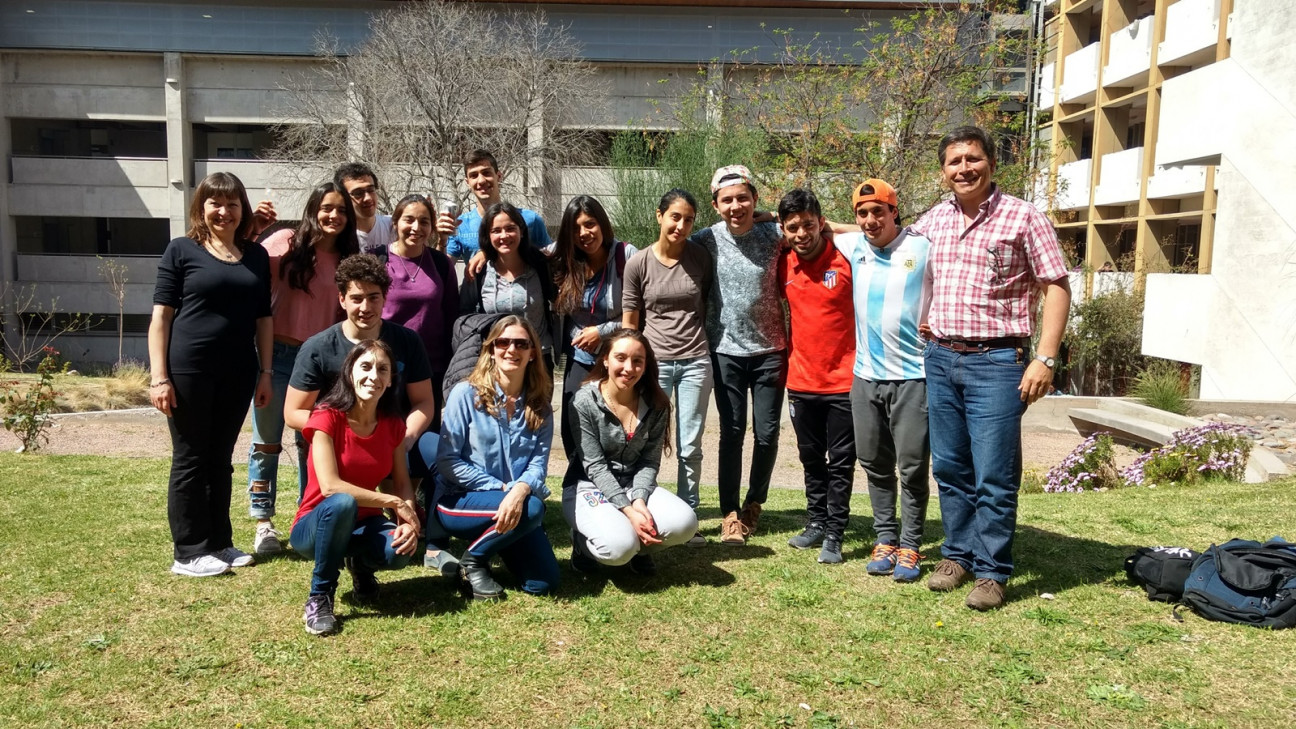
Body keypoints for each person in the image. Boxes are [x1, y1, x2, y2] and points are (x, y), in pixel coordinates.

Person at [910, 126, 1071, 610]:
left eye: (972, 159)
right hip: (940, 357)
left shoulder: (1023, 217)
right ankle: (956, 556)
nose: (964, 168)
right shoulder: (934, 220)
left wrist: (1045, 357)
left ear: (991, 163)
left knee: (994, 474)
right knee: (952, 468)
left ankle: (992, 570)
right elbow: (885, 238)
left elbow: (1057, 286)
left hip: (997, 361)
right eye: (954, 161)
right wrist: (816, 223)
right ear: (943, 170)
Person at [283, 254, 456, 575]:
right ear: (341, 299)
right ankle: (330, 569)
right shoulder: (318, 347)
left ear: (385, 297)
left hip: (396, 435)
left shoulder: (406, 341)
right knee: (340, 504)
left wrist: (401, 439)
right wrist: (342, 432)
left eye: (373, 297)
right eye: (356, 298)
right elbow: (294, 411)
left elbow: (424, 404)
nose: (365, 307)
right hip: (334, 444)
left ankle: (433, 539)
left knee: (442, 453)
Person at [149, 171, 273, 577]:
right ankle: (188, 551)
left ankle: (219, 543)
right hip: (189, 370)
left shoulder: (254, 255)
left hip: (238, 372)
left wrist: (267, 371)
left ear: (243, 209)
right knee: (190, 457)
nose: (224, 211)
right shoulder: (181, 250)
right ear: (201, 208)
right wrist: (159, 377)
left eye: (232, 203)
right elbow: (161, 318)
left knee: (220, 459)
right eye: (215, 203)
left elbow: (264, 319)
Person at [248, 181, 359, 555]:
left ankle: (306, 516)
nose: (334, 216)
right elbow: (244, 261)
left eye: (342, 211)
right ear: (314, 208)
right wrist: (252, 226)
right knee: (267, 442)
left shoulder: (346, 258)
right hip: (275, 355)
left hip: (320, 363)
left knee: (313, 440)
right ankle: (263, 522)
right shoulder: (284, 242)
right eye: (327, 208)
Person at [833, 179, 933, 581]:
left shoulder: (923, 247)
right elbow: (822, 226)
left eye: (879, 211)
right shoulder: (854, 246)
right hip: (866, 378)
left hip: (914, 378)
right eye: (863, 213)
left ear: (895, 212)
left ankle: (911, 546)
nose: (871, 220)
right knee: (874, 463)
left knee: (911, 468)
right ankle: (885, 538)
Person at [289, 340, 419, 635]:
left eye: (382, 369)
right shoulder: (326, 418)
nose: (374, 375)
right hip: (316, 524)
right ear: (349, 372)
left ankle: (360, 565)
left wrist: (407, 520)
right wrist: (393, 502)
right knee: (343, 503)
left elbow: (401, 483)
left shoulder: (392, 424)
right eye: (366, 366)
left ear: (390, 380)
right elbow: (331, 488)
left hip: (364, 524)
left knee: (398, 552)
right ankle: (320, 596)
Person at [690, 165, 787, 546]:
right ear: (715, 204)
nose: (736, 206)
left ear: (754, 199)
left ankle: (754, 505)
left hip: (771, 351)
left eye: (743, 198)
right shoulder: (705, 239)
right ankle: (729, 512)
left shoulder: (774, 233)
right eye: (727, 200)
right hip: (725, 351)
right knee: (731, 434)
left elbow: (814, 224)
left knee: (766, 434)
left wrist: (774, 216)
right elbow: (667, 243)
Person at [433, 316, 559, 601]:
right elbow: (448, 460)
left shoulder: (540, 406)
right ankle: (473, 560)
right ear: (491, 349)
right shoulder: (465, 394)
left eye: (521, 344)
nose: (511, 349)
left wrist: (520, 489)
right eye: (502, 342)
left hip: (514, 505)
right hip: (460, 502)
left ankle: (497, 544)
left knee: (544, 583)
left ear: (532, 353)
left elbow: (538, 465)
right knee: (533, 508)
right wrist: (502, 490)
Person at [565, 328, 699, 574]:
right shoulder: (584, 401)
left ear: (646, 365)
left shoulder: (657, 403)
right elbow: (594, 466)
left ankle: (641, 549)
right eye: (621, 358)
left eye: (638, 361)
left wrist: (639, 501)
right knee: (618, 549)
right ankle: (582, 544)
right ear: (605, 359)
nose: (629, 368)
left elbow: (649, 461)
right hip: (589, 485)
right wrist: (628, 510)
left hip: (634, 485)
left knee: (686, 523)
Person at [621, 189, 713, 546]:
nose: (681, 225)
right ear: (659, 216)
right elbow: (630, 323)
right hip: (652, 364)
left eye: (688, 219)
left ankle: (689, 515)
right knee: (646, 441)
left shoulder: (701, 258)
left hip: (695, 360)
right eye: (675, 217)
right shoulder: (638, 263)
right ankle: (640, 508)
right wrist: (629, 365)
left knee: (689, 444)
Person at [776, 189, 857, 565]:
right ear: (784, 230)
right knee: (810, 457)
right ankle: (817, 521)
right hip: (801, 380)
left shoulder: (848, 257)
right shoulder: (783, 264)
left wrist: (839, 229)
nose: (802, 233)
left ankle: (836, 533)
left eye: (809, 224)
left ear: (821, 223)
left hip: (844, 380)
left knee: (841, 460)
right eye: (793, 227)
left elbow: (883, 231)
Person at [551, 195, 637, 487]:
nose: (584, 234)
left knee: (611, 428)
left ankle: (613, 487)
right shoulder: (563, 259)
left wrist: (602, 330)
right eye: (576, 228)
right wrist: (482, 252)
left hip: (616, 359)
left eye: (590, 224)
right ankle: (582, 488)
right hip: (579, 359)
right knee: (572, 425)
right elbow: (518, 247)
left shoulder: (626, 256)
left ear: (602, 223)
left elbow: (638, 312)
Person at [379, 194, 459, 421]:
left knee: (423, 442)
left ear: (432, 227)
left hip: (430, 370)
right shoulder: (378, 260)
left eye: (424, 222)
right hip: (385, 369)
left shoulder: (441, 264)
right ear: (395, 222)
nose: (416, 227)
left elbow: (451, 316)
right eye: (409, 220)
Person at [458, 201, 559, 373]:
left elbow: (558, 297)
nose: (504, 236)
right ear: (487, 235)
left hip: (537, 359)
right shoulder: (479, 270)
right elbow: (465, 315)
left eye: (510, 228)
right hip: (496, 360)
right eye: (496, 231)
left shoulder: (541, 265)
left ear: (521, 230)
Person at [440, 149, 553, 261]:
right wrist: (442, 241)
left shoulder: (530, 219)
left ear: (498, 176)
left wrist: (487, 253)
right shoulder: (460, 225)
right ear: (467, 182)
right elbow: (442, 271)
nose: (481, 180)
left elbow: (551, 259)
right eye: (474, 175)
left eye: (486, 173)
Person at [334, 162, 393, 255]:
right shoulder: (337, 235)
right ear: (343, 198)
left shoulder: (393, 226)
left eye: (371, 190)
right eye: (358, 193)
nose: (368, 198)